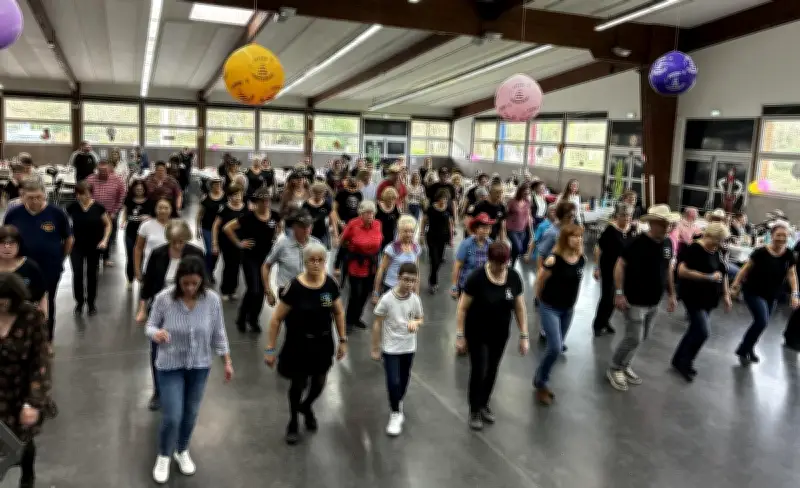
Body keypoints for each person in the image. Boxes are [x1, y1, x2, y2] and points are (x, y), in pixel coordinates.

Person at [147, 256, 232, 483]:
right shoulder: (164, 299)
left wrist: (227, 360)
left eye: (195, 283)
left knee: (191, 414)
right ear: (179, 280)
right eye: (185, 283)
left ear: (202, 281)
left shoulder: (212, 300)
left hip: (199, 365)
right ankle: (164, 455)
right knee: (173, 415)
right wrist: (156, 333)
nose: (190, 288)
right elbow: (150, 325)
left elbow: (219, 331)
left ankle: (181, 450)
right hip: (170, 365)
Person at [264, 242, 347, 445]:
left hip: (323, 343)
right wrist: (270, 348)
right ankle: (293, 421)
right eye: (312, 260)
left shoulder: (329, 285)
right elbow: (276, 319)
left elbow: (337, 311)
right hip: (298, 345)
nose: (316, 264)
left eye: (320, 260)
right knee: (298, 384)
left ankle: (306, 406)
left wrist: (342, 340)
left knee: (319, 383)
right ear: (305, 262)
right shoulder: (295, 287)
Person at [455, 242, 528, 430]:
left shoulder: (513, 276)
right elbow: (462, 308)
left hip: (500, 333)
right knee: (480, 369)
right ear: (489, 260)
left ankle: (484, 403)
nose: (500, 268)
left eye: (504, 264)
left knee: (493, 369)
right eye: (497, 264)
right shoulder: (477, 277)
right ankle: (474, 410)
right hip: (477, 332)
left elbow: (520, 307)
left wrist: (524, 335)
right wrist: (460, 335)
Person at [607, 205, 679, 391]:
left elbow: (668, 269)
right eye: (664, 224)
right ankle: (615, 367)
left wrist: (671, 294)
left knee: (643, 337)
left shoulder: (667, 244)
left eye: (670, 224)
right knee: (633, 337)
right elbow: (619, 265)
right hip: (635, 300)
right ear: (653, 223)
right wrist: (619, 293)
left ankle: (625, 365)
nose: (668, 227)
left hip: (654, 301)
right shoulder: (636, 242)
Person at [139, 220, 204, 411]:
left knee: (186, 349)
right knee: (158, 350)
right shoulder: (158, 254)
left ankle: (183, 388)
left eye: (181, 241)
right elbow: (148, 283)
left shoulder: (195, 254)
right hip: (162, 309)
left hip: (188, 308)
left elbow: (204, 283)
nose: (177, 245)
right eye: (174, 241)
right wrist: (142, 308)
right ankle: (158, 391)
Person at [0, 273, 55, 488]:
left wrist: (33, 401)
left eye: (5, 302)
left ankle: (27, 477)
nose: (1, 307)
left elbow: (40, 360)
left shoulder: (31, 317)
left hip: (23, 386)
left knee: (23, 439)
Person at [4, 179, 73, 340]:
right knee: (19, 301)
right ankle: (20, 337)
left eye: (38, 197)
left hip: (49, 268)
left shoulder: (56, 213)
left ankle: (47, 339)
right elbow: (6, 238)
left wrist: (61, 258)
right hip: (20, 268)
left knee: (47, 303)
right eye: (30, 197)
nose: (35, 201)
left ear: (45, 196)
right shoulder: (14, 214)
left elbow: (69, 238)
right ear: (22, 197)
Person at [731, 220, 800, 365]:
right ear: (772, 235)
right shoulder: (761, 252)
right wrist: (736, 285)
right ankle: (744, 347)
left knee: (762, 323)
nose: (781, 238)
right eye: (778, 235)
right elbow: (745, 268)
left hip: (772, 294)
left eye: (784, 236)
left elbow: (792, 274)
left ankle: (748, 348)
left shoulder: (788, 254)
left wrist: (795, 293)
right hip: (753, 291)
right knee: (762, 321)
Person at [671, 222, 733, 381]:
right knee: (703, 332)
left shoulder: (717, 251)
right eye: (720, 240)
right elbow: (682, 271)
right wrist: (707, 277)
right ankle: (685, 362)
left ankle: (679, 360)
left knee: (694, 329)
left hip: (709, 298)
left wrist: (726, 294)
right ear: (711, 236)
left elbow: (723, 273)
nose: (722, 244)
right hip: (693, 296)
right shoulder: (694, 249)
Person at [533, 224, 585, 405]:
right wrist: (540, 300)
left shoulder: (581, 259)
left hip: (567, 309)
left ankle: (539, 376)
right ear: (565, 239)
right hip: (550, 307)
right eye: (573, 236)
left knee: (557, 346)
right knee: (555, 347)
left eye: (579, 237)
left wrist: (574, 303)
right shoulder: (553, 260)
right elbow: (540, 280)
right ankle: (542, 383)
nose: (577, 240)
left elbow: (578, 283)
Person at [371, 262, 424, 436]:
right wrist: (376, 347)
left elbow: (420, 318)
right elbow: (377, 323)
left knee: (403, 379)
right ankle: (395, 412)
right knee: (393, 381)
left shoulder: (415, 299)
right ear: (398, 278)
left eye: (413, 281)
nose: (409, 284)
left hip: (409, 347)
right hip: (391, 348)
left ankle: (398, 401)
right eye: (406, 280)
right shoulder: (387, 299)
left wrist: (415, 323)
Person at [223, 188, 281, 332]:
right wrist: (239, 243)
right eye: (262, 201)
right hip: (250, 258)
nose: (266, 203)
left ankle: (253, 319)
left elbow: (279, 227)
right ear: (256, 202)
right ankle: (242, 318)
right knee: (253, 289)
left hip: (266, 259)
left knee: (261, 291)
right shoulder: (248, 217)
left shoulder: (274, 215)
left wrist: (276, 237)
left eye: (267, 200)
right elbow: (227, 228)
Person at [335, 201, 383, 329]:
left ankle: (357, 317)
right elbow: (342, 240)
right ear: (361, 214)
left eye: (372, 213)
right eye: (367, 213)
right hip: (355, 265)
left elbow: (379, 241)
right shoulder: (353, 224)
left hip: (371, 265)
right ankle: (349, 320)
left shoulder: (377, 224)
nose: (370, 215)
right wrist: (349, 250)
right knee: (355, 293)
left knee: (365, 293)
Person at [66, 182, 112, 316]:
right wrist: (68, 238)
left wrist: (104, 240)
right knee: (78, 274)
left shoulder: (98, 208)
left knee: (92, 275)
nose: (83, 197)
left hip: (94, 246)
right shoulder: (72, 207)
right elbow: (64, 224)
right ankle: (79, 302)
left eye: (86, 193)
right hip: (76, 246)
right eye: (80, 194)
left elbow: (108, 225)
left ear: (90, 193)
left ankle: (91, 303)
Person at [591, 203, 634, 337]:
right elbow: (598, 249)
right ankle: (598, 324)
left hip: (623, 270)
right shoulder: (610, 230)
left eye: (629, 216)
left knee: (616, 297)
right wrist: (597, 267)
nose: (627, 218)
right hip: (608, 268)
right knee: (606, 297)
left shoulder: (631, 230)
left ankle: (606, 321)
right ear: (617, 216)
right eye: (624, 215)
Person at [262, 209, 321, 307]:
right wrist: (268, 292)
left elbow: (324, 274)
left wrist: (326, 301)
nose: (306, 229)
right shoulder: (282, 245)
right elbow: (266, 266)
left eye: (309, 225)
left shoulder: (317, 245)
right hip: (288, 292)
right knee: (292, 321)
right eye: (302, 226)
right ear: (294, 227)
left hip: (311, 291)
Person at [86, 159, 126, 268]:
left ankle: (105, 258)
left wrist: (115, 211)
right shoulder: (90, 179)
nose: (102, 172)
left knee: (108, 236)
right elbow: (85, 194)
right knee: (93, 235)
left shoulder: (117, 179)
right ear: (97, 169)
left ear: (109, 168)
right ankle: (93, 257)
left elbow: (122, 196)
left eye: (104, 170)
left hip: (110, 212)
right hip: (93, 212)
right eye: (100, 170)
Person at [211, 184, 247, 300]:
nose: (237, 197)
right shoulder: (224, 209)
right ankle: (225, 290)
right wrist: (215, 243)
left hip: (241, 241)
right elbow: (216, 226)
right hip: (226, 242)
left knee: (236, 266)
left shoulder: (246, 208)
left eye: (239, 195)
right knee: (228, 265)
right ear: (229, 196)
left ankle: (233, 289)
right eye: (234, 195)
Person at [0, 226, 47, 313]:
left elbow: (42, 295)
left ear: (19, 245)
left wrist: (43, 316)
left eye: (12, 243)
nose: (7, 246)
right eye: (2, 243)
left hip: (24, 318)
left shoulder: (30, 266)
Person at [374, 215, 421, 299]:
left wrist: (416, 291)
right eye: (406, 231)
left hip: (408, 289)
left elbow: (416, 271)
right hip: (391, 287)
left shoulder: (416, 248)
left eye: (411, 231)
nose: (409, 234)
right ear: (400, 231)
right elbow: (381, 269)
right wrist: (376, 292)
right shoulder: (392, 248)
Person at [451, 213, 494, 298]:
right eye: (483, 227)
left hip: (484, 286)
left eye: (488, 228)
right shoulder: (466, 244)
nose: (486, 230)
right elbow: (457, 266)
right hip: (467, 286)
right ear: (476, 228)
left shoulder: (491, 244)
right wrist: (454, 287)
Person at [420, 188, 454, 294]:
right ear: (437, 198)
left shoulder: (448, 208)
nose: (443, 200)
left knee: (439, 260)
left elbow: (450, 224)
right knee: (434, 259)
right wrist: (421, 234)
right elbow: (424, 221)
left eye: (445, 198)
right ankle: (433, 283)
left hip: (443, 237)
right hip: (431, 236)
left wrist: (451, 238)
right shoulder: (430, 208)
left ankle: (432, 276)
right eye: (441, 198)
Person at [121, 179, 154, 288]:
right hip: (130, 230)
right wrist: (123, 221)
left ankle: (141, 277)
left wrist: (148, 217)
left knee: (143, 255)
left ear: (144, 189)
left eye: (141, 189)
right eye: (137, 189)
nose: (139, 190)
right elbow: (125, 212)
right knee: (130, 255)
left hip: (145, 233)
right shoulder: (129, 199)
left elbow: (154, 215)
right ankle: (130, 279)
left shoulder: (150, 201)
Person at [135, 199, 174, 286]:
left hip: (171, 271)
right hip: (150, 269)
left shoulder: (176, 226)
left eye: (166, 208)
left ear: (171, 209)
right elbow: (138, 248)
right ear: (155, 209)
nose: (163, 211)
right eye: (160, 208)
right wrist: (137, 270)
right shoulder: (146, 225)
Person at [195, 175, 225, 280]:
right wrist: (197, 228)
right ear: (211, 186)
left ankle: (210, 269)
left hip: (221, 230)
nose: (217, 186)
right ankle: (207, 272)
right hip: (207, 228)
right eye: (215, 184)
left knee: (216, 253)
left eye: (219, 184)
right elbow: (199, 214)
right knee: (210, 250)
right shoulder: (206, 198)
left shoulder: (225, 197)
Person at [532, 201, 576, 269]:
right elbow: (541, 255)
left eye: (573, 216)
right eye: (570, 216)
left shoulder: (569, 230)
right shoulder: (552, 232)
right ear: (561, 216)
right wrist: (540, 275)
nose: (572, 219)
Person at [506, 183, 532, 266]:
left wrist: (530, 228)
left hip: (522, 229)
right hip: (511, 229)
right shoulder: (512, 201)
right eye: (525, 193)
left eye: (528, 193)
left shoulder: (527, 202)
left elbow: (528, 215)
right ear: (520, 192)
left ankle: (512, 265)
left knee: (515, 249)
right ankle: (507, 258)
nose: (526, 195)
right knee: (519, 248)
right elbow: (505, 214)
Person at [303, 182, 336, 248]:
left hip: (323, 232)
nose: (318, 195)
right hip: (310, 234)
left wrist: (335, 235)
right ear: (312, 192)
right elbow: (302, 221)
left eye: (321, 193)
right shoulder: (306, 205)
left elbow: (333, 219)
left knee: (323, 252)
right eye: (316, 193)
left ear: (324, 193)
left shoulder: (326, 204)